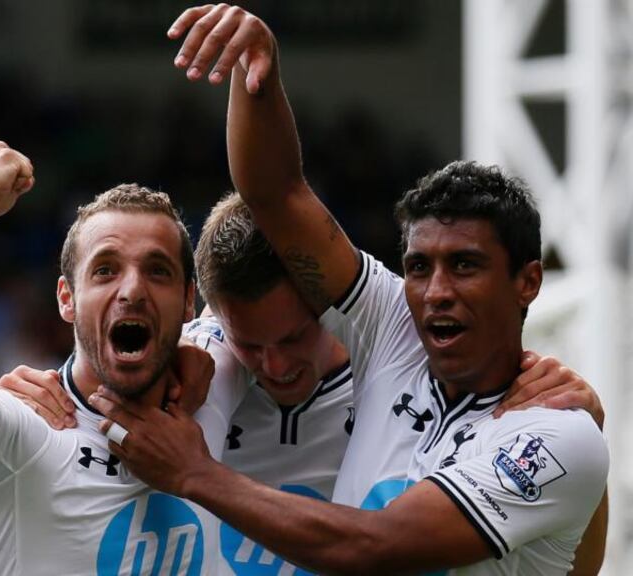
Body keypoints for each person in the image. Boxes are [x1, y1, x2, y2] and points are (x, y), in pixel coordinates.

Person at [87, 5, 609, 575]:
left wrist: (195, 474)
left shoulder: (557, 435)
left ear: (526, 281)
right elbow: (277, 195)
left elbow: (373, 546)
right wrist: (257, 73)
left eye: (464, 265)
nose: (434, 291)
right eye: (417, 267)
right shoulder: (393, 329)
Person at [4, 191, 603, 575]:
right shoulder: (197, 376)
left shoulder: (394, 386)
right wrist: (14, 404)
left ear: (334, 308)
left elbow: (564, 552)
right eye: (251, 345)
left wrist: (583, 436)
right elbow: (100, 373)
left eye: (295, 337)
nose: (276, 365)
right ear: (211, 318)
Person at [0, 139, 241, 575]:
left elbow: (273, 236)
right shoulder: (24, 427)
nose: (133, 290)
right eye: (105, 270)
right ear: (67, 299)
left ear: (189, 301)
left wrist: (192, 349)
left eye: (158, 271)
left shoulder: (220, 372)